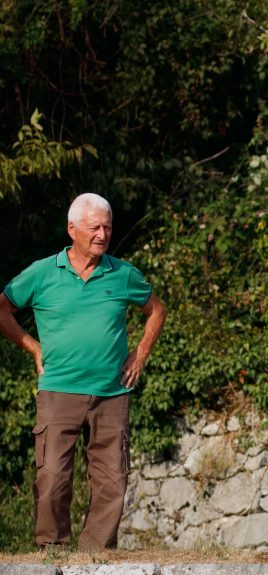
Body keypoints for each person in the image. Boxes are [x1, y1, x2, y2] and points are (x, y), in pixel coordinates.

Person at [0, 193, 166, 550]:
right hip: (59, 390)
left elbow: (156, 310)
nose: (102, 234)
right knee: (51, 476)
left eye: (107, 227)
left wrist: (139, 354)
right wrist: (33, 348)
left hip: (112, 392)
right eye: (94, 227)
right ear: (72, 229)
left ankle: (95, 557)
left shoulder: (122, 273)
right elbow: (2, 310)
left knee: (112, 481)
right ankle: (53, 552)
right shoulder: (42, 273)